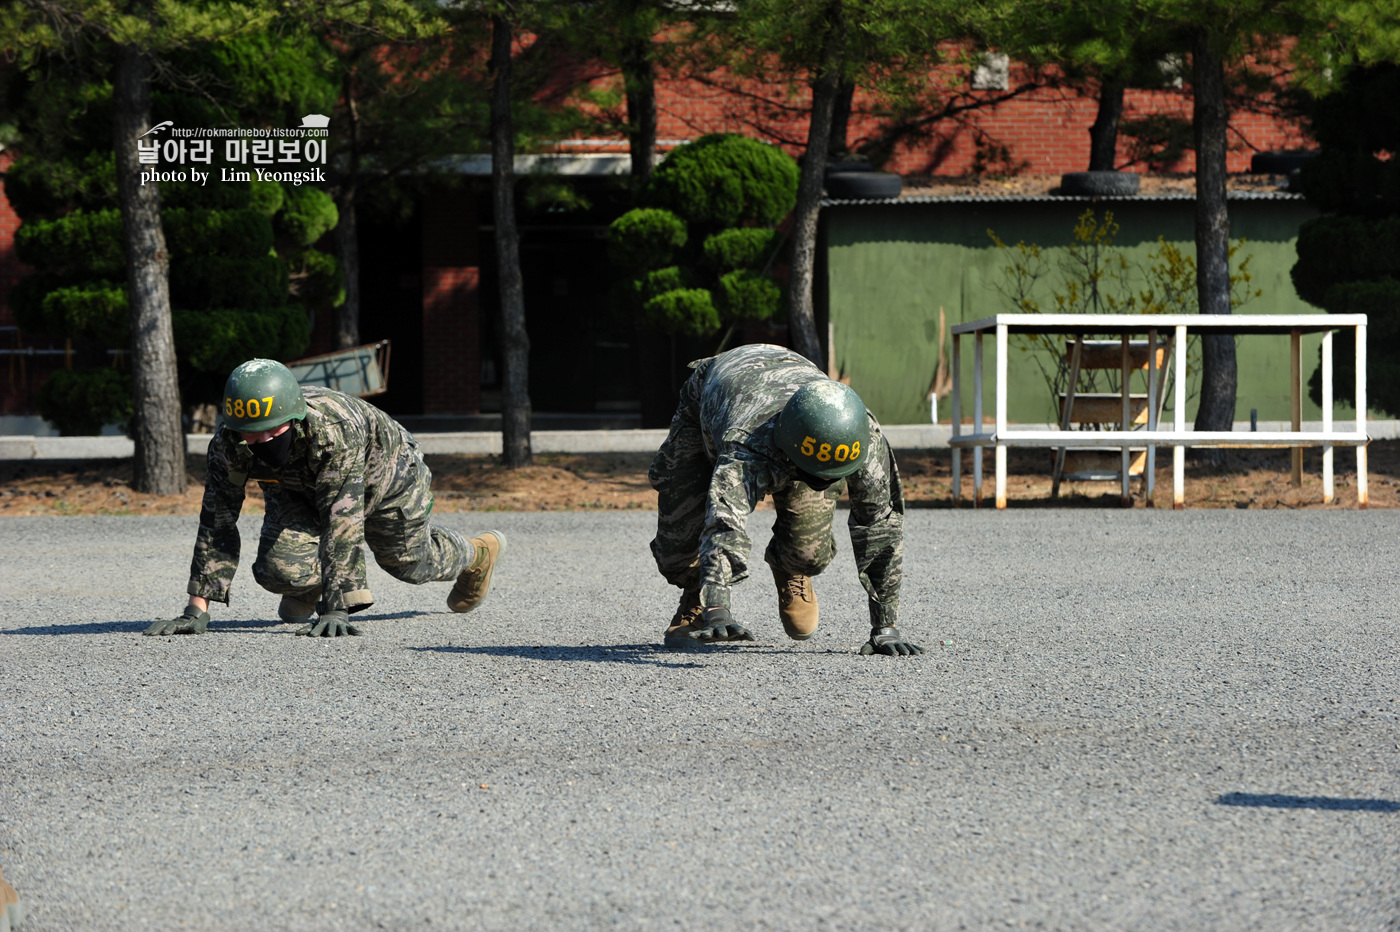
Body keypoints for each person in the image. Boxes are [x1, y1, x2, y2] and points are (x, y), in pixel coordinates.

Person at [145, 359, 505, 638]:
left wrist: (338, 608)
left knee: (408, 564)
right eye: (250, 435)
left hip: (387, 477)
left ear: (295, 416)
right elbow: (216, 520)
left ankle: (477, 554)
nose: (261, 441)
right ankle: (310, 583)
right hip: (295, 487)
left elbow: (341, 520)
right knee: (276, 569)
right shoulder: (228, 443)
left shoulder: (334, 433)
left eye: (273, 431)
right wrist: (196, 608)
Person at [649, 343, 922, 656]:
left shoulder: (863, 437)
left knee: (808, 552)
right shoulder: (746, 443)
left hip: (803, 419)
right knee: (677, 546)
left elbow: (880, 524)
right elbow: (724, 519)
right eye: (818, 473)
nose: (825, 482)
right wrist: (718, 607)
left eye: (832, 475)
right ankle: (696, 598)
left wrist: (885, 627)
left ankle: (790, 566)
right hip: (714, 400)